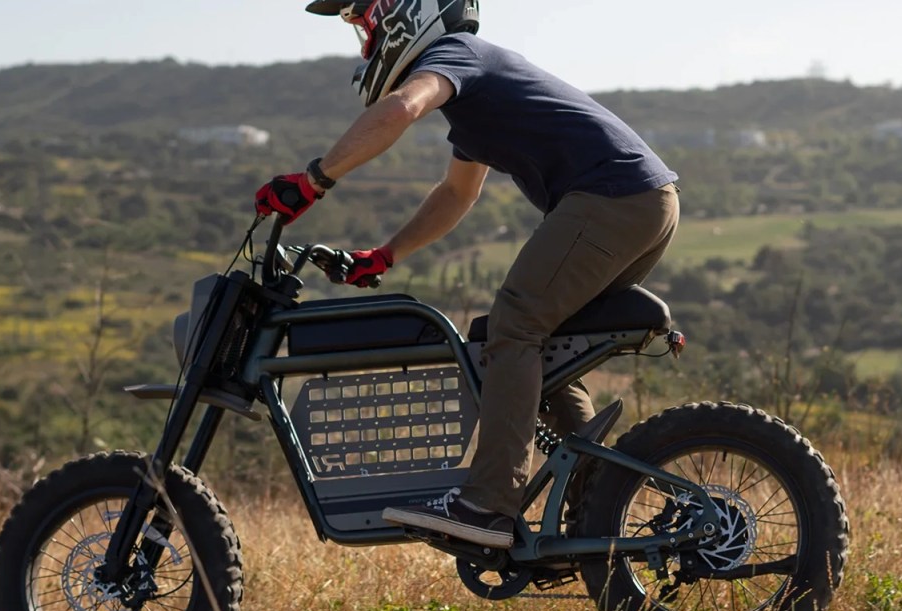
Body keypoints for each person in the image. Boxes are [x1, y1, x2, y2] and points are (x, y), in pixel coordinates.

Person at [255, 0, 680, 549]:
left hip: (613, 199)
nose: (364, 38)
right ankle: (591, 507)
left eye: (363, 19)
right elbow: (458, 192)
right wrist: (385, 255)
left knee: (516, 326)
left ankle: (488, 506)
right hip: (641, 201)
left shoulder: (456, 54)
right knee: (545, 345)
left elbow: (402, 107)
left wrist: (313, 180)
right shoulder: (474, 92)